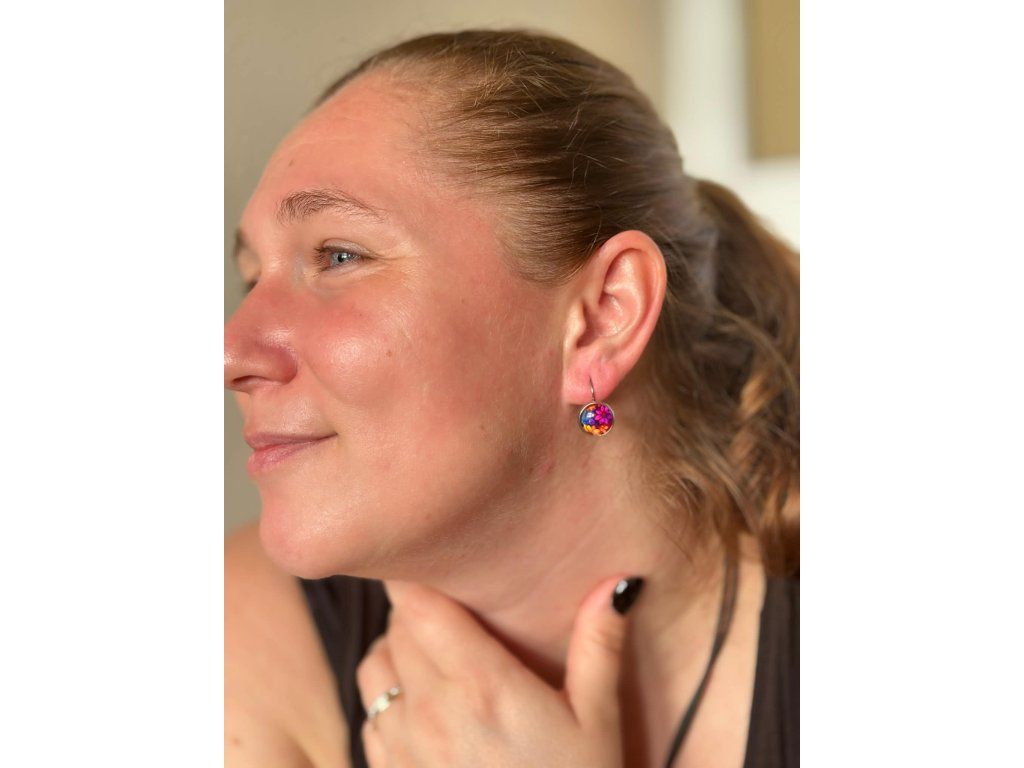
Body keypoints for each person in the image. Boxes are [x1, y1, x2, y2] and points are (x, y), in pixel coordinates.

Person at [224, 28, 798, 768]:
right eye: (252, 278)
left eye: (339, 256)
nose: (232, 354)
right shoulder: (238, 641)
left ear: (603, 318)